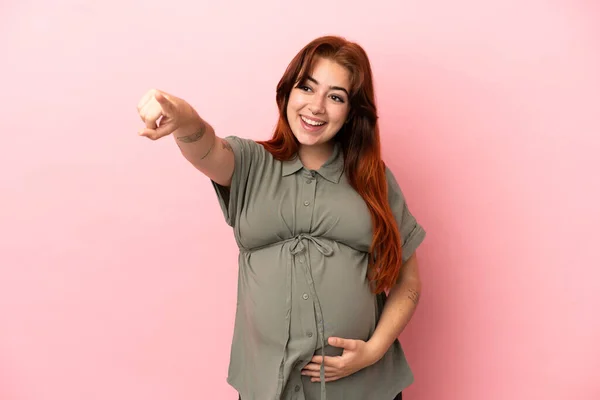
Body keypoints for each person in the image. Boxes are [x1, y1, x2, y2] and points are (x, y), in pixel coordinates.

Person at [136, 35, 426, 400]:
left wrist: (373, 350)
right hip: (269, 388)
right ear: (288, 91)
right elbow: (206, 146)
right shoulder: (250, 164)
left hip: (364, 389)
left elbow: (408, 282)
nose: (316, 107)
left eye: (336, 97)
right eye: (307, 87)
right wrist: (181, 118)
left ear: (352, 112)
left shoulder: (375, 181)